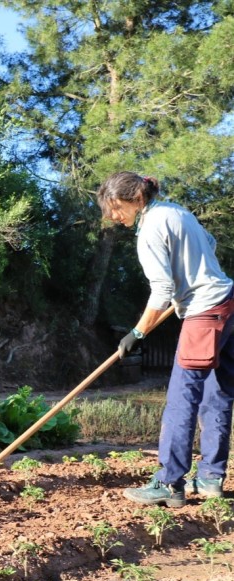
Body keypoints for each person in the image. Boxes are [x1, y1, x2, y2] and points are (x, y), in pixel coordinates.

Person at [97, 171, 234, 507]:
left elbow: (161, 290)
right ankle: (210, 478)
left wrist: (137, 332)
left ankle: (169, 482)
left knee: (180, 399)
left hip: (204, 314)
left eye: (115, 207)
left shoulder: (150, 230)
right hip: (227, 305)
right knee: (217, 393)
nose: (112, 216)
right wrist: (193, 273)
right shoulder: (176, 211)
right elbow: (210, 244)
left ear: (136, 198)